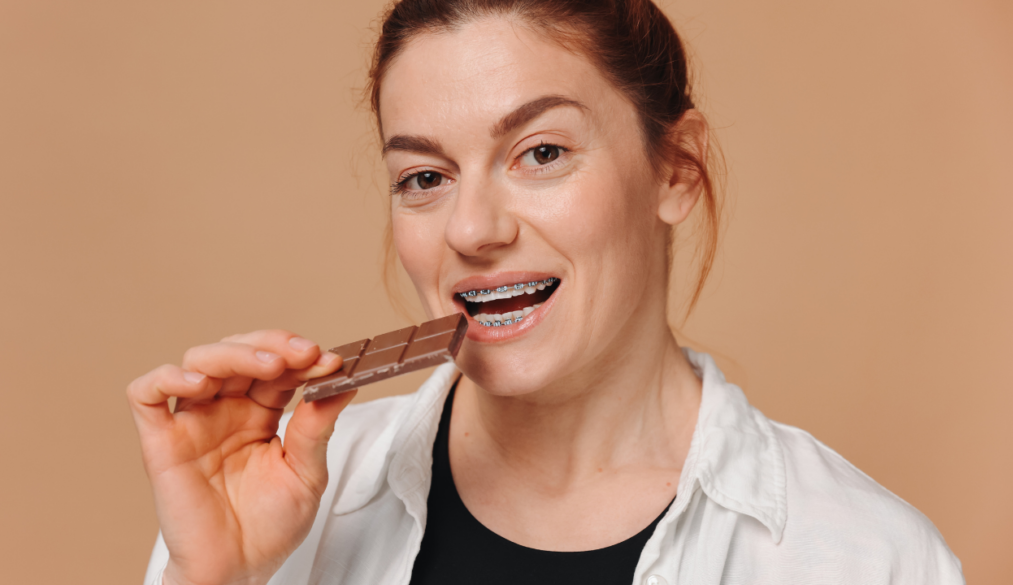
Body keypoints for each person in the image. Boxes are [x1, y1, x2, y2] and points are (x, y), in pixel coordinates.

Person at [129, 1, 965, 583]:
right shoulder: (296, 509)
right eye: (425, 176)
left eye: (541, 153)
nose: (473, 228)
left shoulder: (863, 557)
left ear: (674, 168)